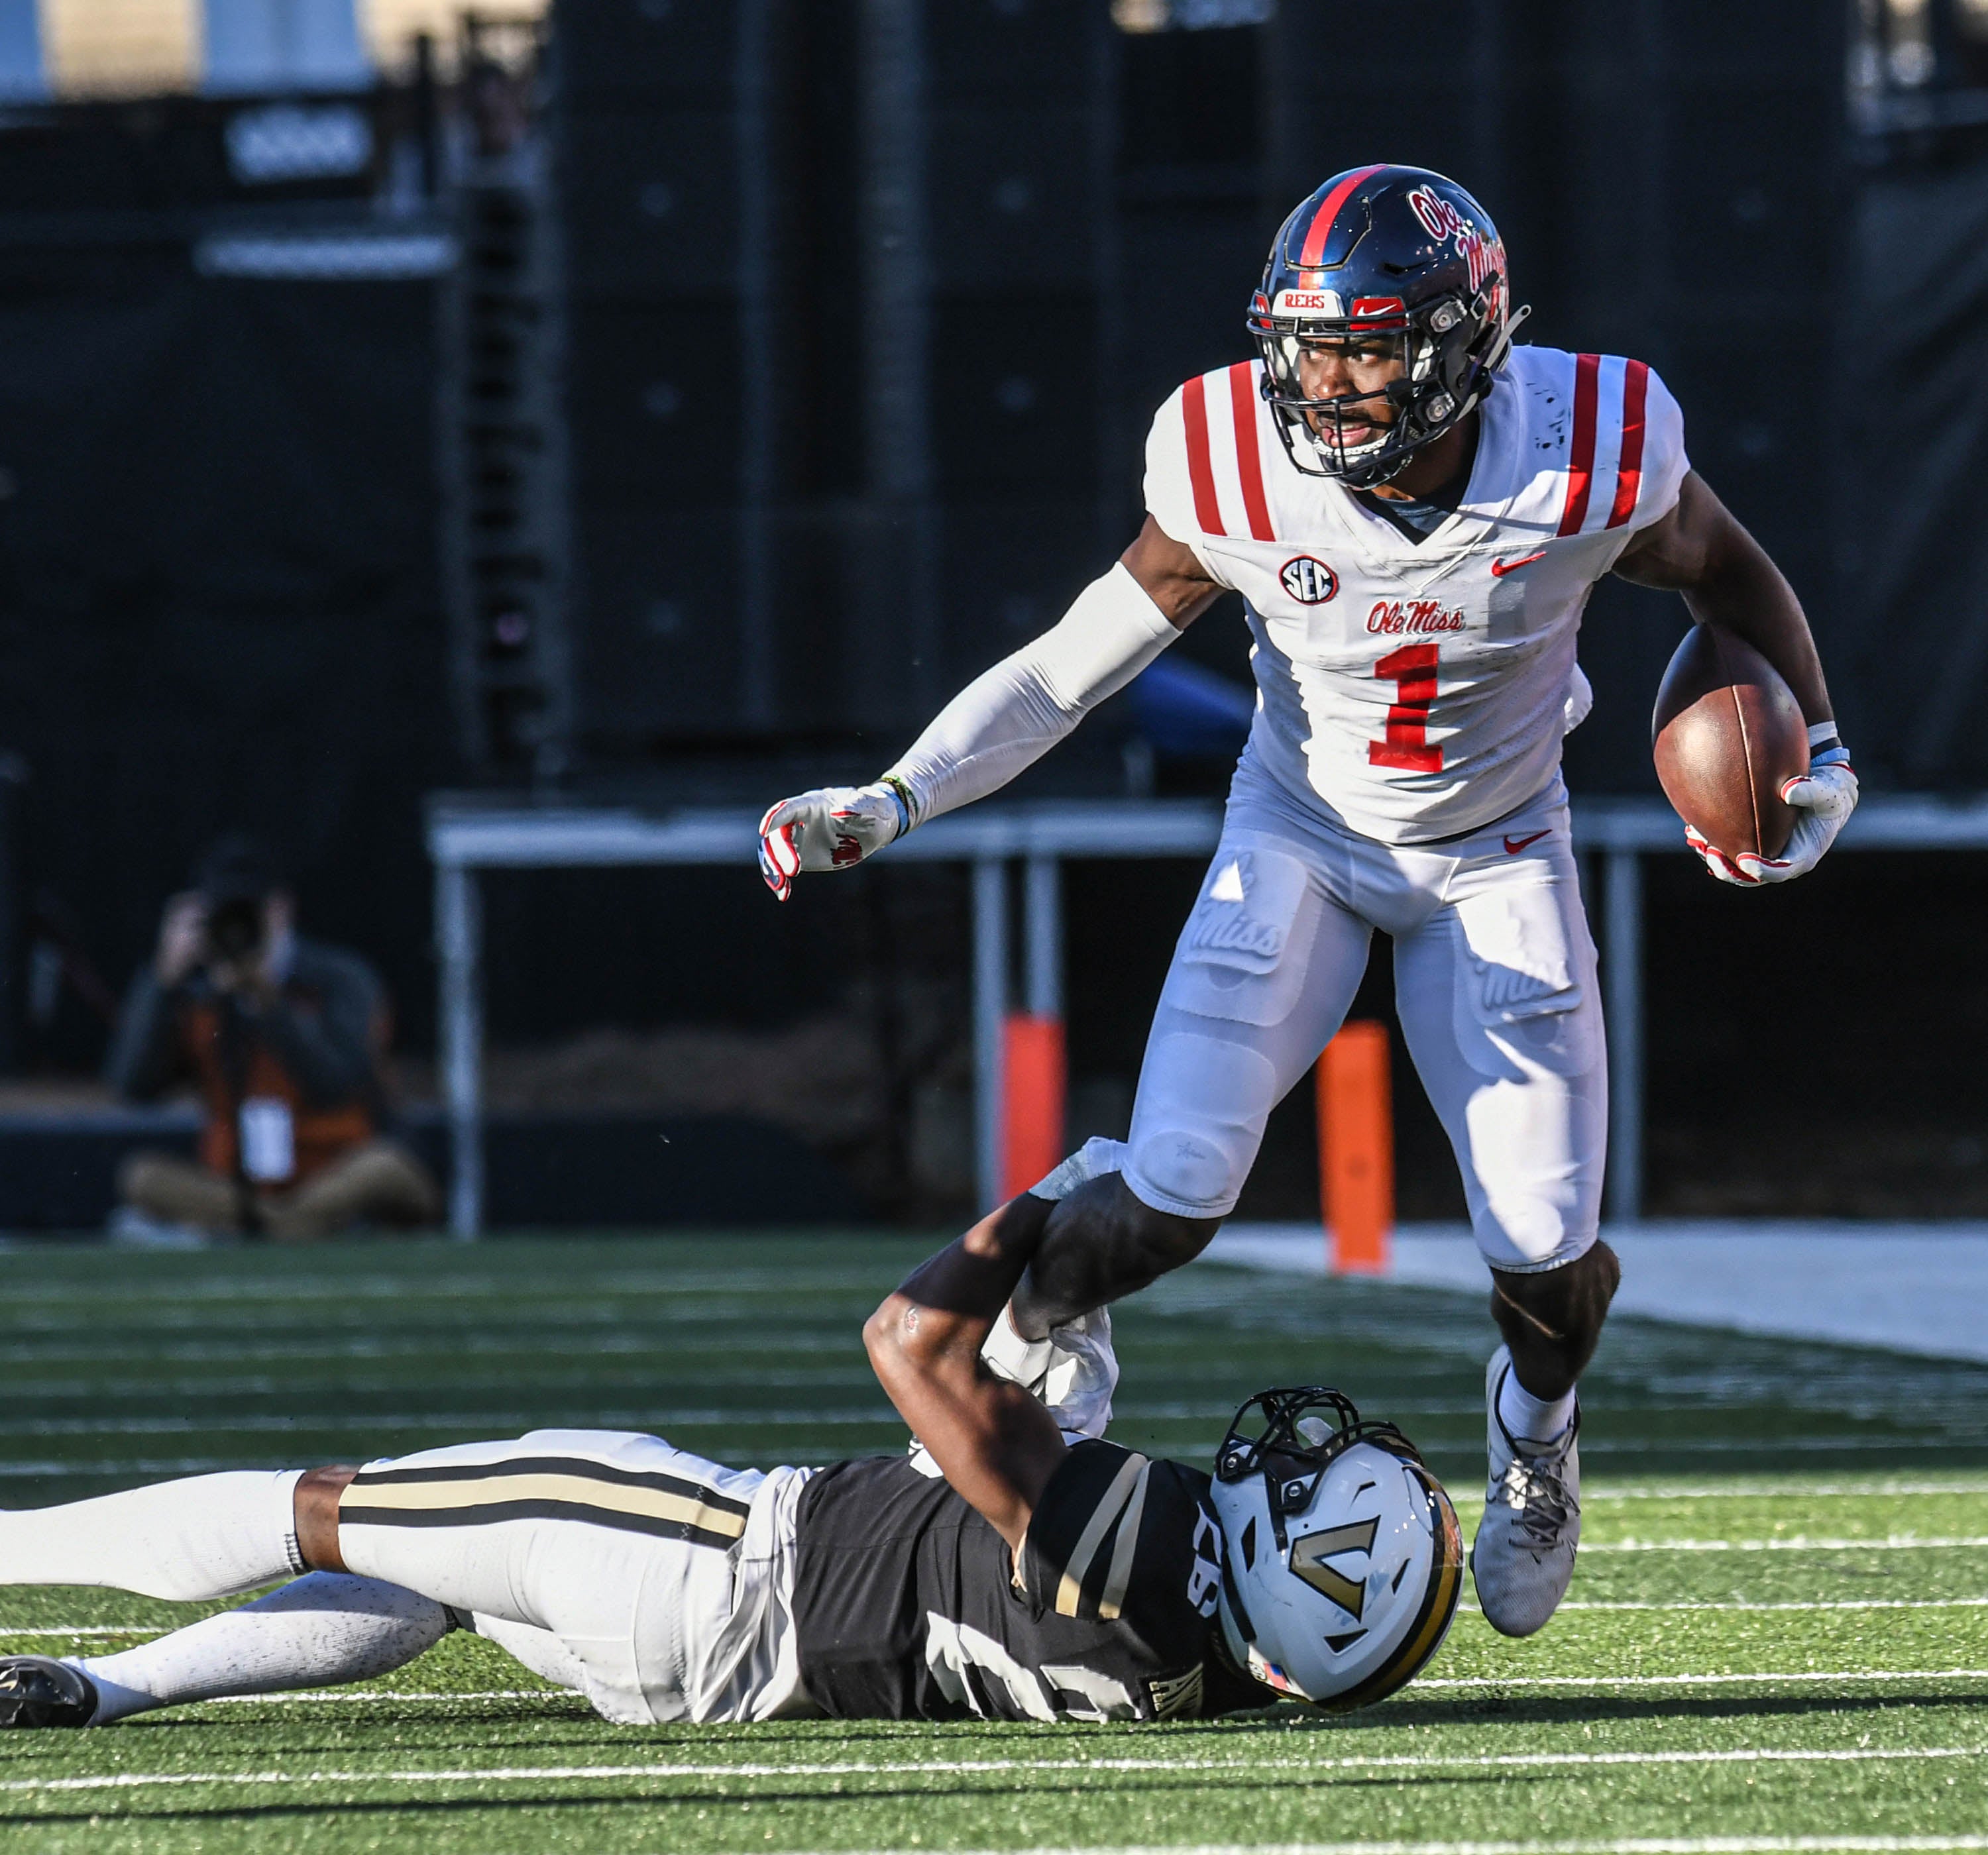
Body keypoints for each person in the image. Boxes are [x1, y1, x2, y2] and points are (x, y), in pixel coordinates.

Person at [755, 166, 1858, 1638]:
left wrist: (1819, 743)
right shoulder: (1227, 453)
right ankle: (1039, 1313)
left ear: (1469, 342)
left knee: (1546, 1240)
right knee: (1172, 1186)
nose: (1324, 384)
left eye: (1366, 347)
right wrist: (897, 794)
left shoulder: (1592, 442)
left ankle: (1536, 1422)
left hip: (1501, 842)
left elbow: (1729, 572)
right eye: (1306, 343)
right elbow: (1074, 662)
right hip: (1300, 831)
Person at [0, 1162, 1463, 1728]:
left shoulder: (1142, 1551)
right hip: (706, 1677)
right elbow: (995, 1496)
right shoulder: (1204, 1666)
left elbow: (906, 1343)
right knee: (433, 1577)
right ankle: (108, 1685)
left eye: (1302, 1492)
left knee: (325, 1504)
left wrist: (1041, 1200)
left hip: (698, 1553)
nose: (1280, 1463)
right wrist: (1056, 1351)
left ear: (1295, 1566)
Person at [105, 835, 440, 1243]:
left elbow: (337, 1085)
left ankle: (253, 1226)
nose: (238, 929)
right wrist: (161, 981)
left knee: (387, 1169)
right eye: (224, 916)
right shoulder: (198, 994)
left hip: (342, 1171)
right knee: (140, 1176)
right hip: (241, 1184)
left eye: (249, 913)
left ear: (281, 909)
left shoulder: (339, 979)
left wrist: (269, 1004)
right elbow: (131, 1087)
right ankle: (293, 1226)